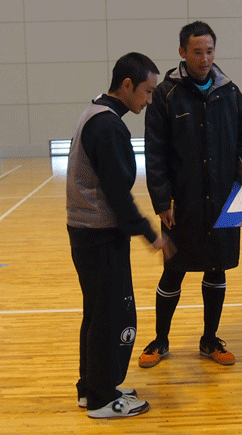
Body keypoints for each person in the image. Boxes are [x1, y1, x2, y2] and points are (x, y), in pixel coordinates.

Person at [139, 21, 242, 368]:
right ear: (182, 52)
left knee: (216, 269)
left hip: (222, 200)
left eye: (209, 51)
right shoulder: (165, 95)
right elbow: (155, 153)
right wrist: (162, 202)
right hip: (182, 203)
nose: (204, 59)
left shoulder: (230, 92)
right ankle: (160, 340)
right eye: (197, 52)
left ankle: (210, 340)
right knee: (173, 270)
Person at [67, 52, 174, 419]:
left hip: (87, 232)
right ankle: (102, 398)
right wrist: (150, 233)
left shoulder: (95, 112)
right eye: (148, 91)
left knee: (96, 313)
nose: (150, 100)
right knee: (111, 316)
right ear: (127, 85)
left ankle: (91, 388)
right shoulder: (108, 126)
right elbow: (116, 192)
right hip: (99, 235)